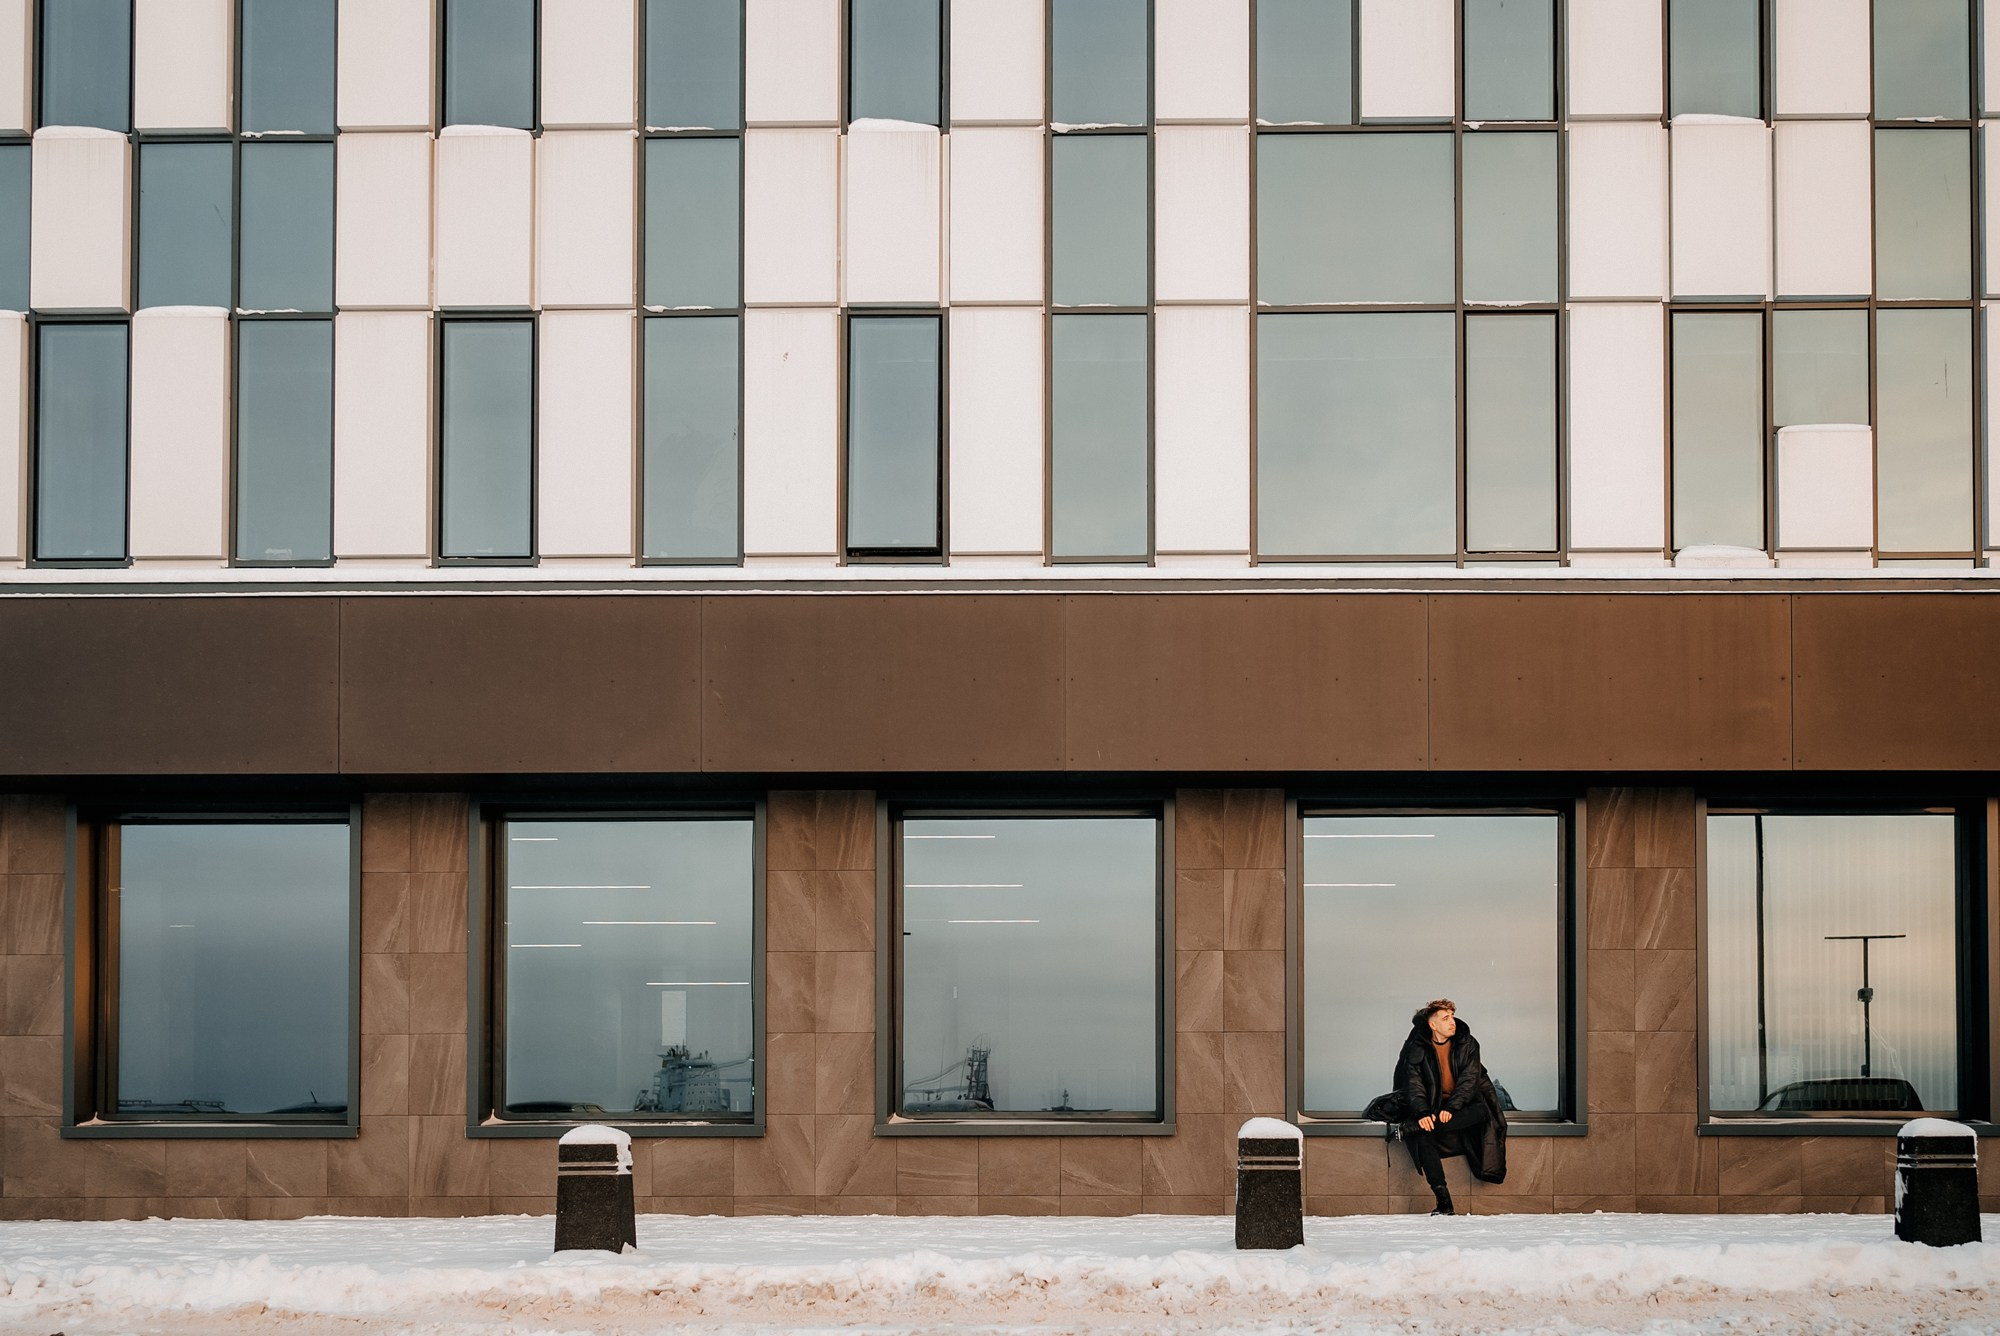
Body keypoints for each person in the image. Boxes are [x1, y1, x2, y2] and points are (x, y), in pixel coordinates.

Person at [1395, 998, 1507, 1215]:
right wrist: (1423, 1113)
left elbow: (1469, 1080)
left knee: (1477, 1112)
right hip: (1437, 1108)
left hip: (1468, 1106)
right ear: (1432, 1024)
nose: (1452, 1022)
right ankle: (1444, 1202)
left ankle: (1413, 1127)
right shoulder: (1417, 1048)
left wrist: (1452, 1108)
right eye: (1445, 1018)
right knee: (1424, 1137)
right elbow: (1414, 1084)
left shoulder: (1468, 1043)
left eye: (1453, 1017)